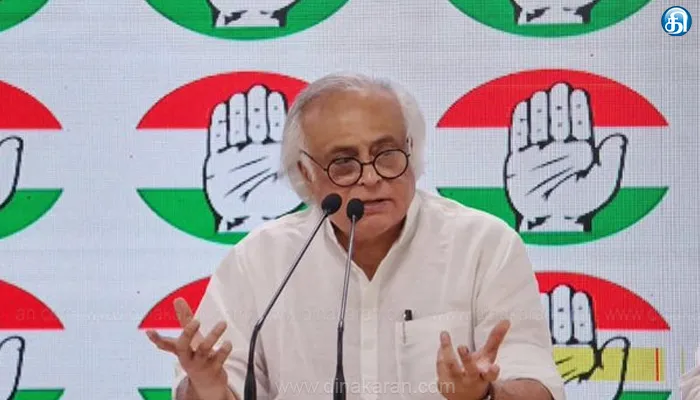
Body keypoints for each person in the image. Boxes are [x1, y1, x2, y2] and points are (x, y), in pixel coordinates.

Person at [146, 72, 565, 400]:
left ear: (411, 151)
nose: (371, 178)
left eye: (387, 155)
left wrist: (483, 394)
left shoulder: (484, 245)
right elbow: (219, 389)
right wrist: (205, 386)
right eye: (344, 163)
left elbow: (538, 385)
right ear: (307, 173)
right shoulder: (261, 260)